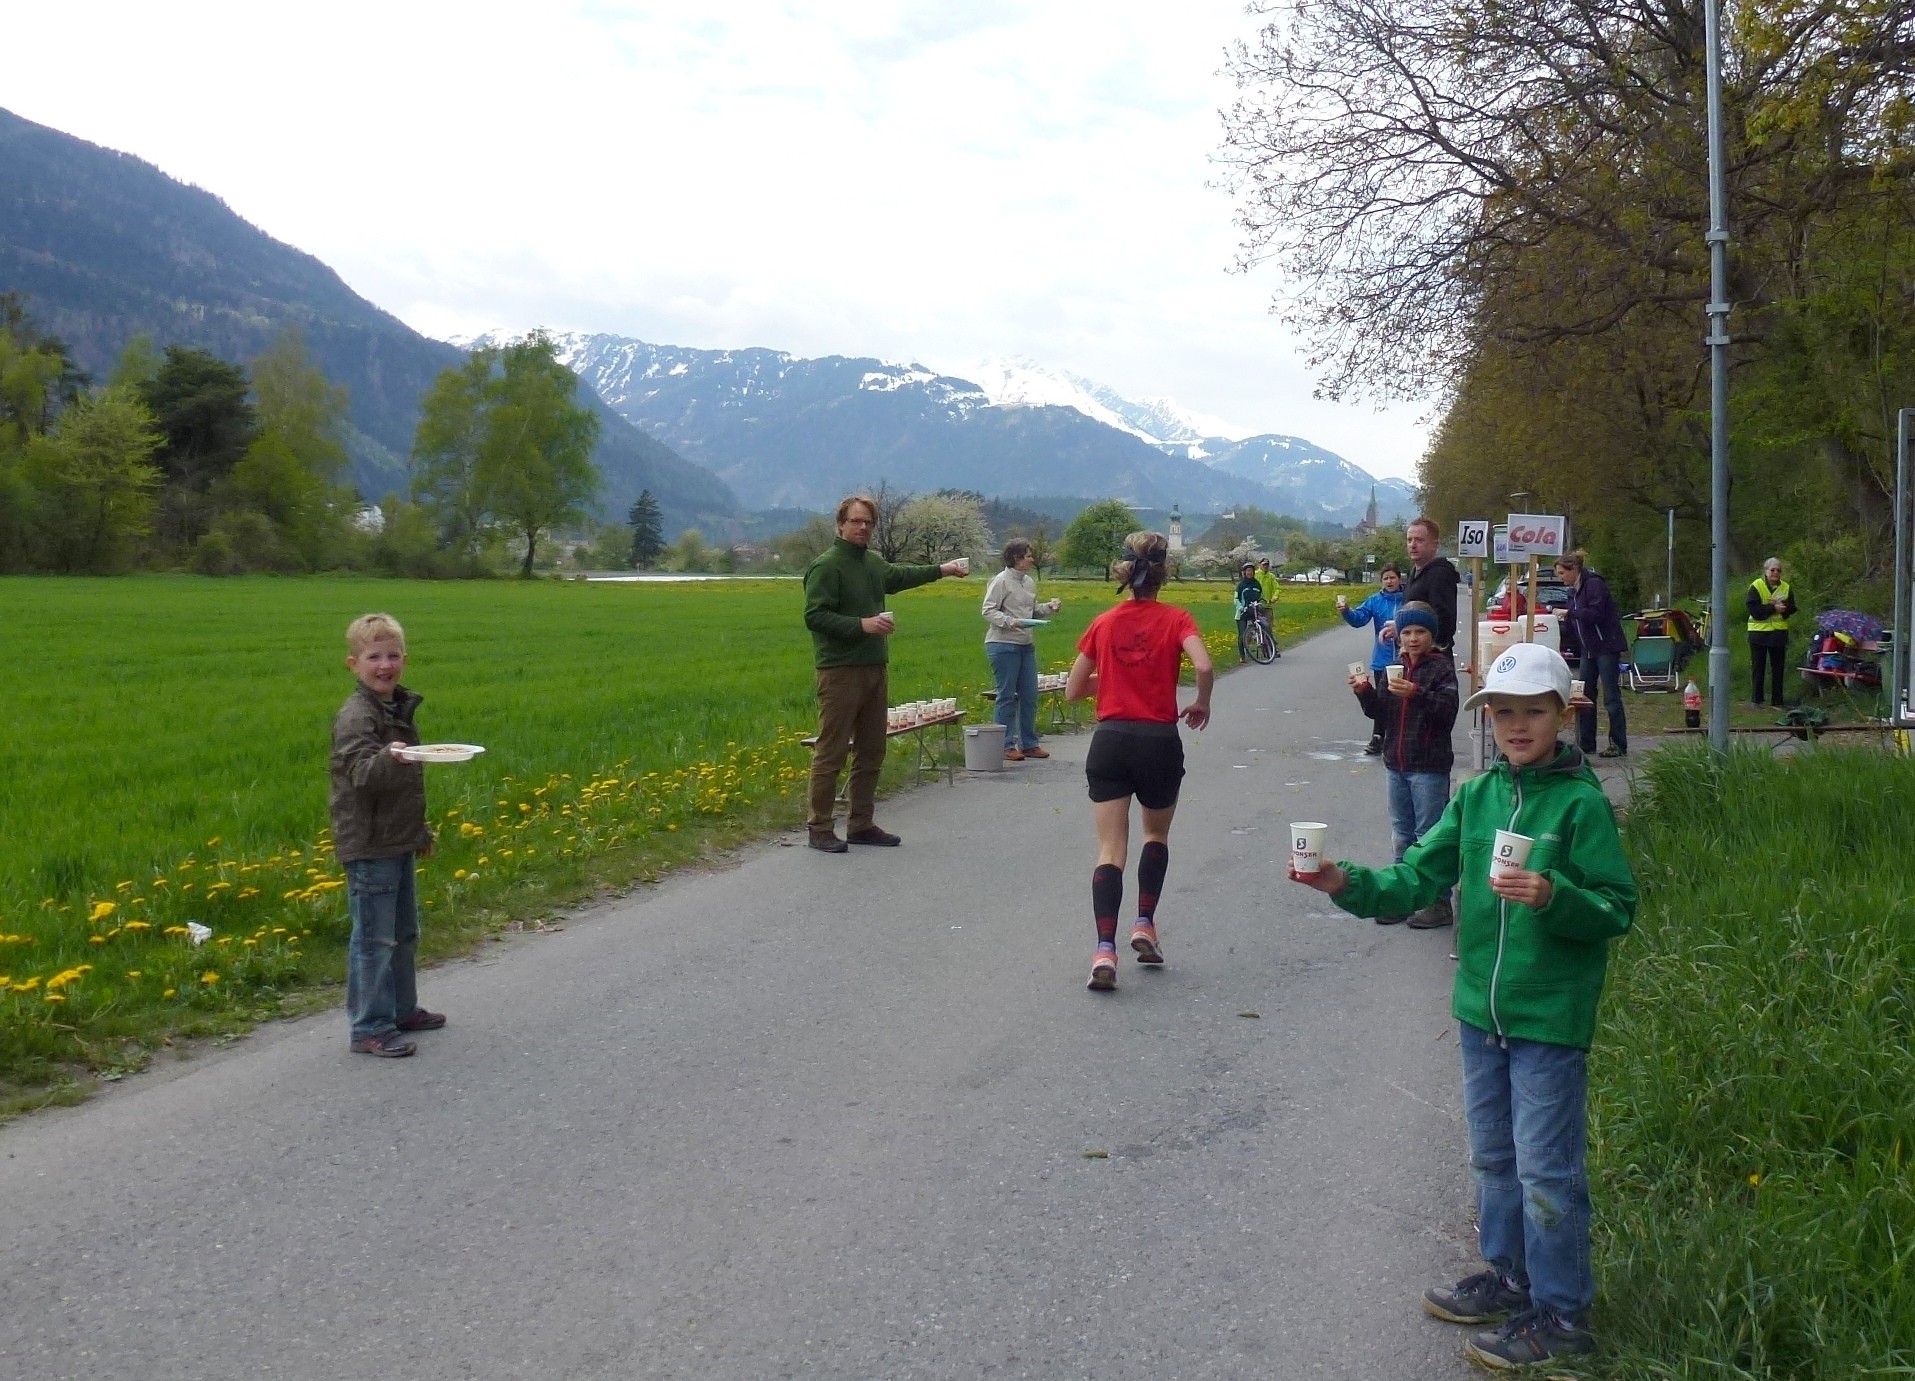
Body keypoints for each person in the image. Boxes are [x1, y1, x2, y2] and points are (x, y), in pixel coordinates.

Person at [1291, 642, 1637, 1367]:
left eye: (1531, 712)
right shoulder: (1476, 797)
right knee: (1493, 1158)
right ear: (1487, 720)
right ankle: (1512, 1278)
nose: (1516, 725)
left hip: (1548, 1020)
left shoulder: (1580, 805)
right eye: (1502, 712)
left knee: (1546, 1170)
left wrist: (1553, 895)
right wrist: (1342, 882)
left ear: (1564, 714)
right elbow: (1418, 876)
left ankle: (1563, 1314)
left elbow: (1614, 909)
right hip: (1481, 1015)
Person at [1065, 531, 1214, 991]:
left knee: (1110, 850)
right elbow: (1204, 666)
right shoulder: (1177, 619)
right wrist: (1201, 701)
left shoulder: (1104, 622)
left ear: (1125, 574)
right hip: (1157, 741)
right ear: (1163, 574)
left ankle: (1104, 951)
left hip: (1110, 741)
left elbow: (1073, 690)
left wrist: (1110, 685)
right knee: (1155, 833)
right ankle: (1144, 923)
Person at [803, 494, 968, 852]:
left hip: (874, 666)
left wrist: (943, 569)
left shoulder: (872, 563)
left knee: (872, 749)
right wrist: (862, 625)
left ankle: (861, 823)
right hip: (840, 671)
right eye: (856, 521)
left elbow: (900, 576)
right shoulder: (827, 566)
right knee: (831, 751)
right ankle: (819, 827)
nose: (863, 528)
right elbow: (814, 617)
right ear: (841, 524)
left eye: (869, 523)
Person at [330, 612, 444, 1059]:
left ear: (405, 659)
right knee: (374, 939)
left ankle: (400, 1009)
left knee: (404, 931)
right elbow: (360, 774)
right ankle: (369, 1026)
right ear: (353, 663)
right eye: (373, 657)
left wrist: (419, 831)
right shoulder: (357, 715)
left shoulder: (395, 707)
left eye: (392, 655)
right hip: (369, 843)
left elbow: (403, 787)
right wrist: (390, 757)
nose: (385, 665)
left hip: (397, 838)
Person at [1349, 602, 1458, 927]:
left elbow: (1447, 712)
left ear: (1432, 635)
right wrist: (1364, 691)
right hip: (1395, 763)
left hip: (1428, 766)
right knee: (1401, 835)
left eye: (1420, 632)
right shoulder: (1395, 667)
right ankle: (1401, 898)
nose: (1413, 639)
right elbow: (1380, 714)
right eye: (1407, 632)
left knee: (1429, 836)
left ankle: (1438, 903)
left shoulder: (1440, 669)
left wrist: (1416, 693)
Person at [981, 538, 1062, 762]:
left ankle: (1029, 743)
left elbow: (1031, 612)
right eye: (1027, 555)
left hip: (1026, 644)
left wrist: (1048, 608)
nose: (1031, 559)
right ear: (1016, 558)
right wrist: (1010, 622)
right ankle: (1006, 744)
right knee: (1007, 695)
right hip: (1003, 644)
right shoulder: (1001, 581)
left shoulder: (1028, 582)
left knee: (1030, 694)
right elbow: (988, 611)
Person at [1554, 551, 1629, 758]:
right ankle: (1586, 743)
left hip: (1606, 646)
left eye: (1562, 573)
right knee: (1585, 696)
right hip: (1588, 648)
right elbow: (1573, 622)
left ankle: (1618, 743)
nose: (1561, 578)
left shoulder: (1594, 585)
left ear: (1574, 570)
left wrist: (1570, 613)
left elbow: (1595, 614)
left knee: (1611, 696)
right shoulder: (1572, 591)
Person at [1338, 563, 1405, 755]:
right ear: (1381, 581)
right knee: (1381, 700)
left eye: (1392, 577)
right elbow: (1359, 619)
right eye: (1386, 578)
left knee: (1403, 699)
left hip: (1405, 659)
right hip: (1382, 660)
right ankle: (1378, 736)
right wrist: (1346, 612)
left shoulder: (1409, 599)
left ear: (1399, 579)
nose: (1389, 581)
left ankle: (1401, 739)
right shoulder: (1375, 600)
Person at [1391, 517, 1462, 659]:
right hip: (1413, 658)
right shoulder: (1415, 572)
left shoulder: (1439, 574)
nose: (1413, 545)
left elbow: (1445, 622)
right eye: (1409, 540)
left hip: (1433, 660)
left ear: (1435, 545)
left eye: (1419, 540)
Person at [1746, 556, 1796, 709]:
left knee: (1778, 669)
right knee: (1758, 667)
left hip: (1778, 634)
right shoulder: (1756, 586)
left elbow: (1792, 607)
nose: (1775, 573)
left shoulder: (1786, 587)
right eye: (1772, 570)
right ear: (1765, 571)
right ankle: (1757, 699)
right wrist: (1773, 609)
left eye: (1778, 570)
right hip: (1758, 633)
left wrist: (1785, 608)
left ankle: (1777, 701)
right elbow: (1754, 610)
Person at [1233, 561, 1266, 662]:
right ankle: (1242, 656)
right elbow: (1236, 599)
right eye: (1247, 571)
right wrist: (1241, 608)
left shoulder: (1257, 584)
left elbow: (1260, 596)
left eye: (1251, 571)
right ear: (1244, 572)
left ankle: (1266, 649)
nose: (1249, 573)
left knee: (1263, 627)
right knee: (1242, 635)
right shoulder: (1241, 585)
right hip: (1243, 613)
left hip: (1254, 611)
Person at [1255, 557, 1282, 655]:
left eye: (1267, 565)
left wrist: (1275, 597)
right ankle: (1246, 650)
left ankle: (1273, 649)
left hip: (1267, 606)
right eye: (1263, 565)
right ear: (1260, 565)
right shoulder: (1255, 575)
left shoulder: (1271, 576)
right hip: (1256, 605)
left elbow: (1277, 588)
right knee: (1254, 627)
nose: (1265, 567)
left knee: (1268, 628)